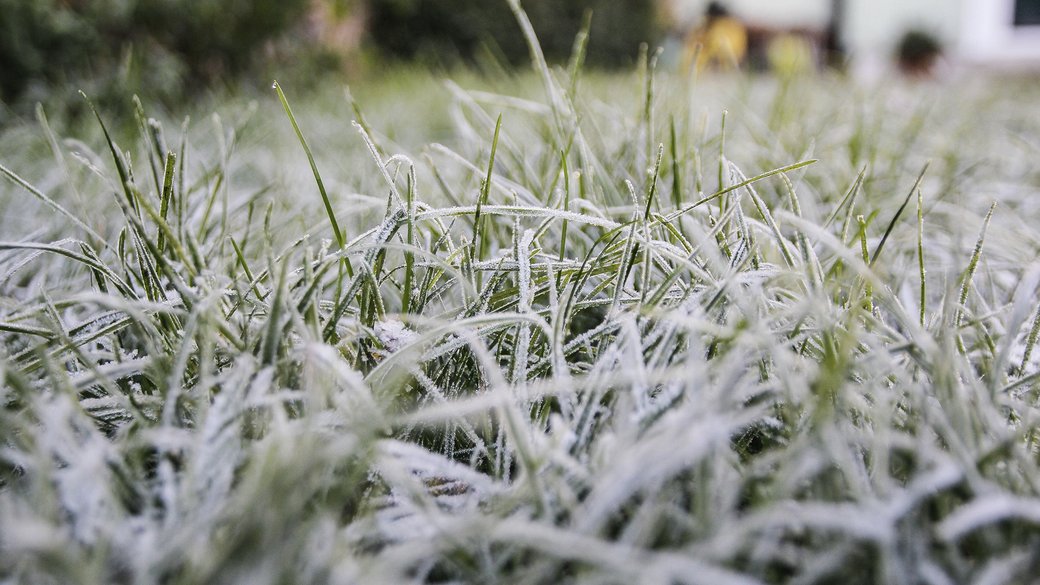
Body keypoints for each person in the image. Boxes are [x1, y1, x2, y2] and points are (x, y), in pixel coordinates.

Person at [683, 1, 748, 73]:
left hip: (719, 68)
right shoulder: (733, 27)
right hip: (708, 68)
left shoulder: (723, 28)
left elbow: (717, 49)